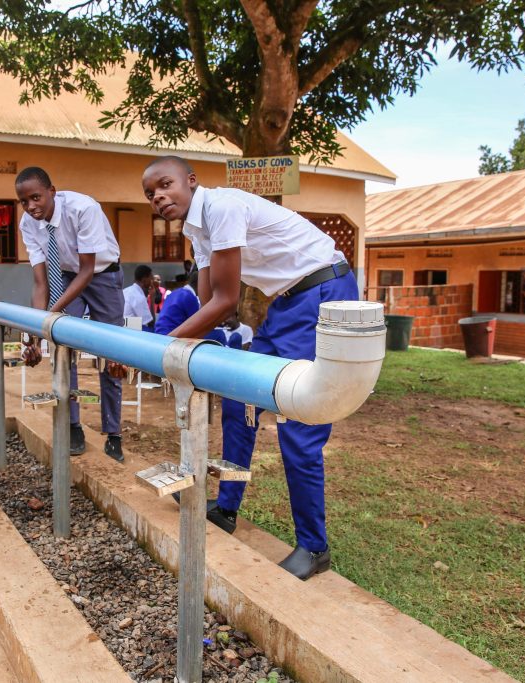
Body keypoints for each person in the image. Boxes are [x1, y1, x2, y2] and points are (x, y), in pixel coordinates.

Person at [141, 155, 356, 581]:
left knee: (300, 419)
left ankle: (314, 547)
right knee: (239, 396)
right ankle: (226, 506)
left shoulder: (222, 207)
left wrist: (159, 350)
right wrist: (188, 343)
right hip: (288, 301)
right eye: (149, 194)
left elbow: (225, 301)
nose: (159, 196)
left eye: (165, 184)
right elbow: (210, 305)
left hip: (323, 290)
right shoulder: (195, 227)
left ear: (191, 181)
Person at [15, 167, 127, 462]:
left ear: (52, 190)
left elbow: (88, 270)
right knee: (63, 344)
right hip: (65, 276)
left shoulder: (83, 208)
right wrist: (36, 333)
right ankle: (73, 425)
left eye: (36, 197)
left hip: (102, 274)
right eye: (24, 201)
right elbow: (40, 282)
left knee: (111, 350)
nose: (31, 207)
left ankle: (113, 432)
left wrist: (50, 314)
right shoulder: (28, 223)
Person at [154, 268, 199, 335]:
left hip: (159, 332)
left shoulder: (175, 292)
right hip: (171, 336)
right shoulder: (190, 297)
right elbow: (197, 325)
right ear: (199, 284)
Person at [123, 264, 154, 330]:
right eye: (151, 278)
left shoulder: (126, 290)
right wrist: (152, 298)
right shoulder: (139, 297)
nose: (152, 282)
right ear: (144, 279)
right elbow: (151, 323)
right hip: (131, 332)